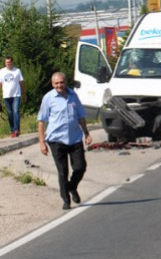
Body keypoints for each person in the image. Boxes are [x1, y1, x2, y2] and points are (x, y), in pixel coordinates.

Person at [37, 72, 92, 210]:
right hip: (56, 140)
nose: (59, 85)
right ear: (52, 84)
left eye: (61, 82)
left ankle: (71, 187)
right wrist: (42, 142)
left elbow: (80, 116)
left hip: (74, 138)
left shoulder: (73, 95)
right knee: (63, 172)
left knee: (80, 167)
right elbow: (41, 121)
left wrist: (86, 133)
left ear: (65, 82)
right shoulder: (48, 98)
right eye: (56, 83)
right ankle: (66, 200)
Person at [0, 56, 26, 138]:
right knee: (10, 113)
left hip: (16, 95)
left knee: (15, 111)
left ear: (12, 62)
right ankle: (12, 130)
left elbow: (21, 83)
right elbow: (0, 83)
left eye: (9, 62)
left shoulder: (17, 71)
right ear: (5, 63)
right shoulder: (1, 71)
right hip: (6, 95)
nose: (8, 64)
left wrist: (24, 93)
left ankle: (16, 130)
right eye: (6, 62)